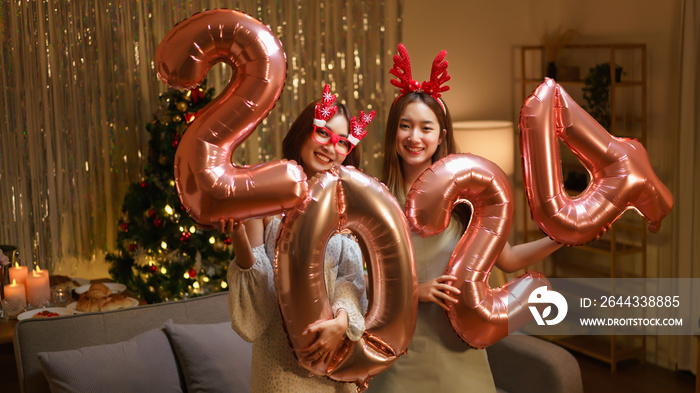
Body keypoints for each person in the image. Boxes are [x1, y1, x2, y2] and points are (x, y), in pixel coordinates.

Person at [366, 44, 563, 392]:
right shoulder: (374, 199)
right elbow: (355, 282)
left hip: (459, 357)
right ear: (393, 133)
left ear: (441, 136)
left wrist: (560, 238)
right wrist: (415, 291)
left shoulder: (466, 203)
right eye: (405, 126)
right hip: (399, 358)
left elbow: (511, 257)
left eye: (426, 128)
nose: (415, 137)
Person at [223, 84, 371, 392]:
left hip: (335, 366)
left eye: (342, 141)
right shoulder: (267, 203)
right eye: (323, 133)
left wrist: (342, 322)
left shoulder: (351, 212)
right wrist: (239, 237)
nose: (330, 147)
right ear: (303, 132)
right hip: (280, 369)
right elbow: (258, 304)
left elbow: (352, 283)